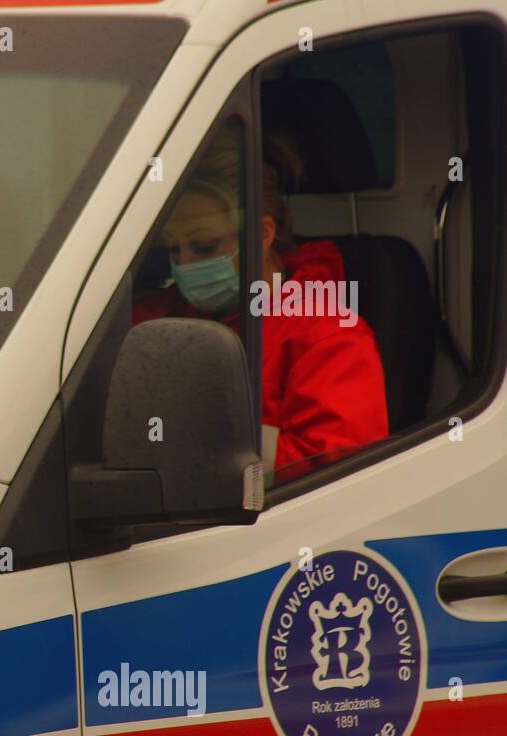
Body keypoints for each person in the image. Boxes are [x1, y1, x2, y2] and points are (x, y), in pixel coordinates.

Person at [132, 126, 388, 483]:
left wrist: (192, 434)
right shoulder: (154, 316)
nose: (185, 265)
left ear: (261, 235)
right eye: (172, 250)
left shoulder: (328, 338)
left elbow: (334, 471)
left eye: (203, 246)